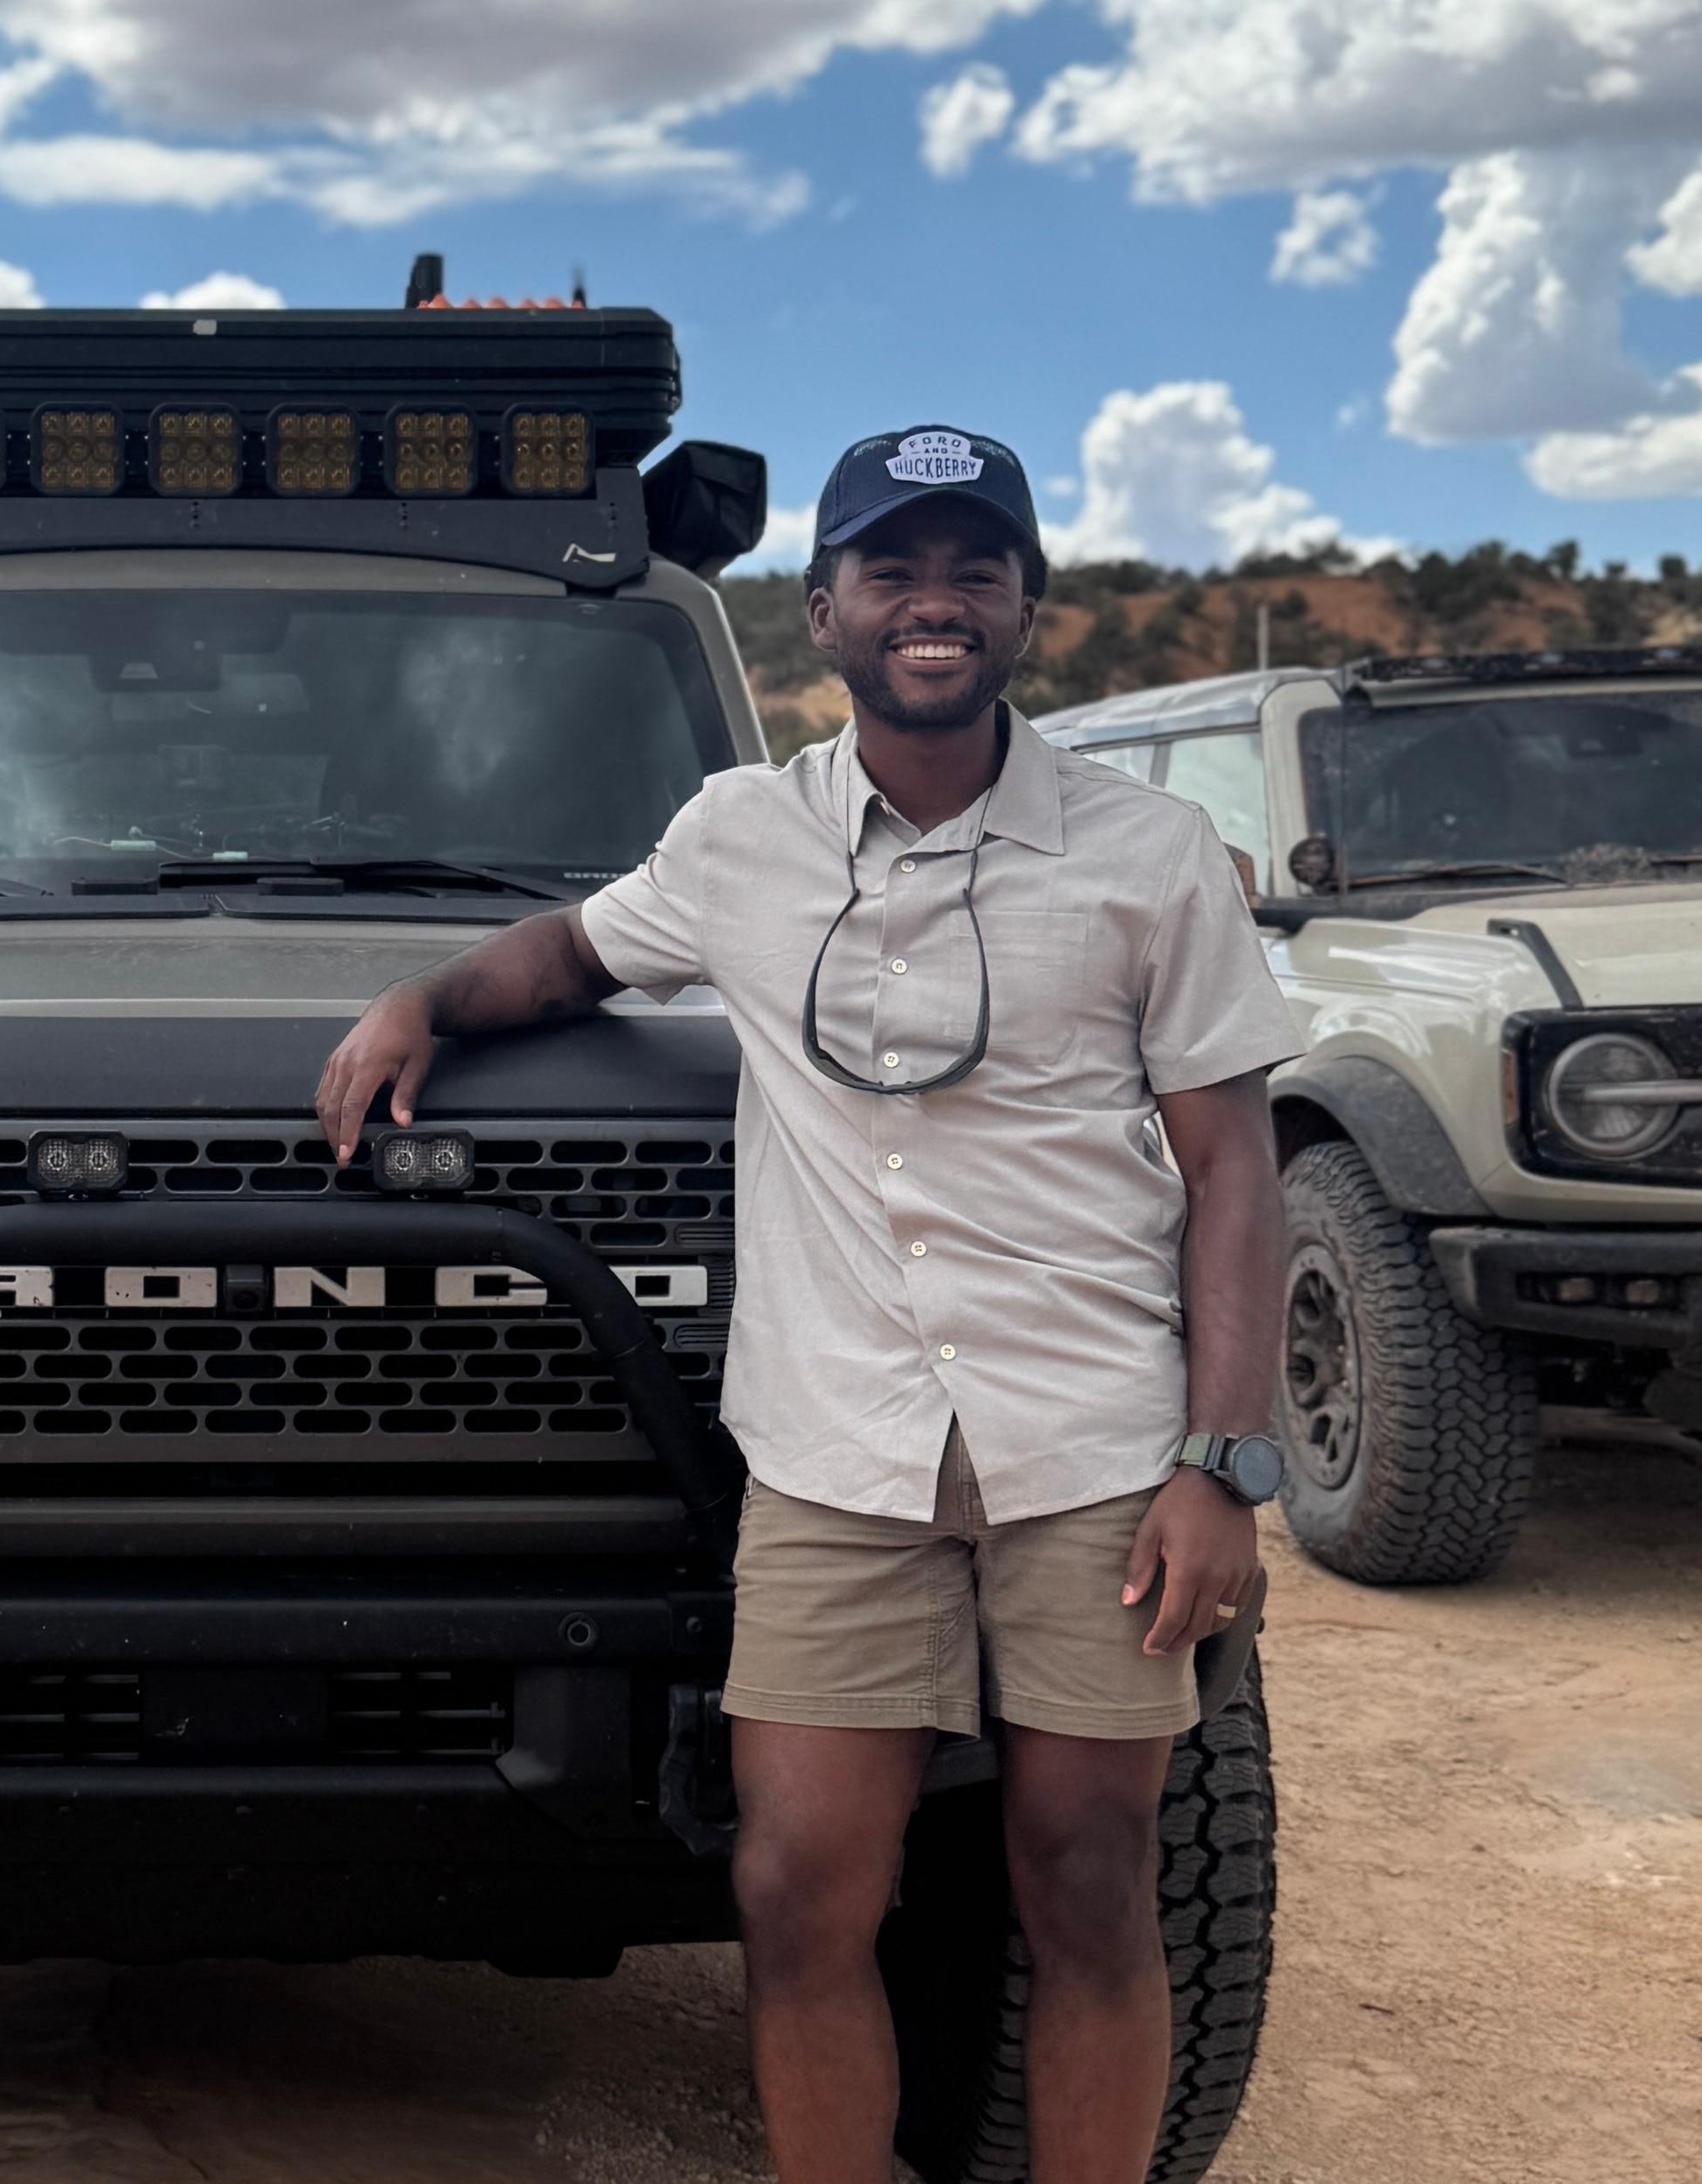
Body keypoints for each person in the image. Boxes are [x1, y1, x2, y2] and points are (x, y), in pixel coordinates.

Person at [313, 425, 1296, 2184]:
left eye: (975, 571)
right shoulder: (741, 836)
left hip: (1090, 1443)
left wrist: (1225, 1461)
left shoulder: (1152, 854)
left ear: (1025, 609)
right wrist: (423, 1001)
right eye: (892, 571)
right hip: (838, 1456)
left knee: (1089, 1881)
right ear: (826, 613)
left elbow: (1235, 1172)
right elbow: (575, 953)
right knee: (794, 1891)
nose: (936, 603)